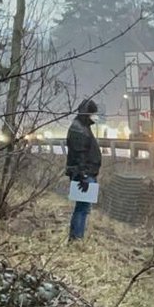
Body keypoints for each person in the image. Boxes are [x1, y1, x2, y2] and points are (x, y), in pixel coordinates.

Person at [65, 99, 101, 241]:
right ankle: (76, 238)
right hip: (84, 175)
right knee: (82, 209)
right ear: (88, 113)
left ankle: (76, 237)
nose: (95, 116)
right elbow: (80, 154)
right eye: (93, 113)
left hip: (85, 173)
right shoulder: (79, 130)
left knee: (82, 208)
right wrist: (83, 175)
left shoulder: (81, 126)